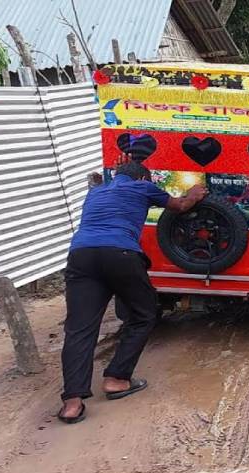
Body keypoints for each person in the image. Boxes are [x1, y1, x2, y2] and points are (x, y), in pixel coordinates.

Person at [58, 162, 206, 424]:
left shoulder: (95, 192)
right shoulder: (143, 186)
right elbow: (180, 206)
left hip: (80, 255)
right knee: (143, 313)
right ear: (142, 177)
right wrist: (194, 193)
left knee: (79, 328)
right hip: (121, 254)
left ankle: (72, 403)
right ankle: (116, 379)